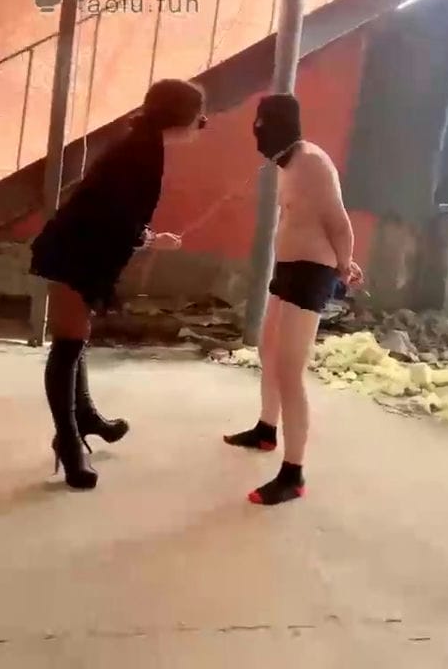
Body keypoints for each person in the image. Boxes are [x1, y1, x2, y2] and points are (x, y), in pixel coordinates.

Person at [30, 78, 207, 491]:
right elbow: (114, 215)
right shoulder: (139, 151)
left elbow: (119, 213)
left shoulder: (145, 145)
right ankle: (68, 442)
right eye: (200, 116)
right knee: (68, 344)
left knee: (77, 337)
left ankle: (85, 415)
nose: (203, 124)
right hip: (73, 251)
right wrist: (150, 239)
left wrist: (145, 236)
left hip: (86, 251)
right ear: (179, 115)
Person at [224, 94, 363, 506]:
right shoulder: (287, 165)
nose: (258, 134)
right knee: (268, 350)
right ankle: (266, 430)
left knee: (289, 369)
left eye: (263, 125)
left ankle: (293, 474)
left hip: (311, 272)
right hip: (287, 269)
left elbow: (338, 221)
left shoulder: (312, 162)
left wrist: (344, 264)